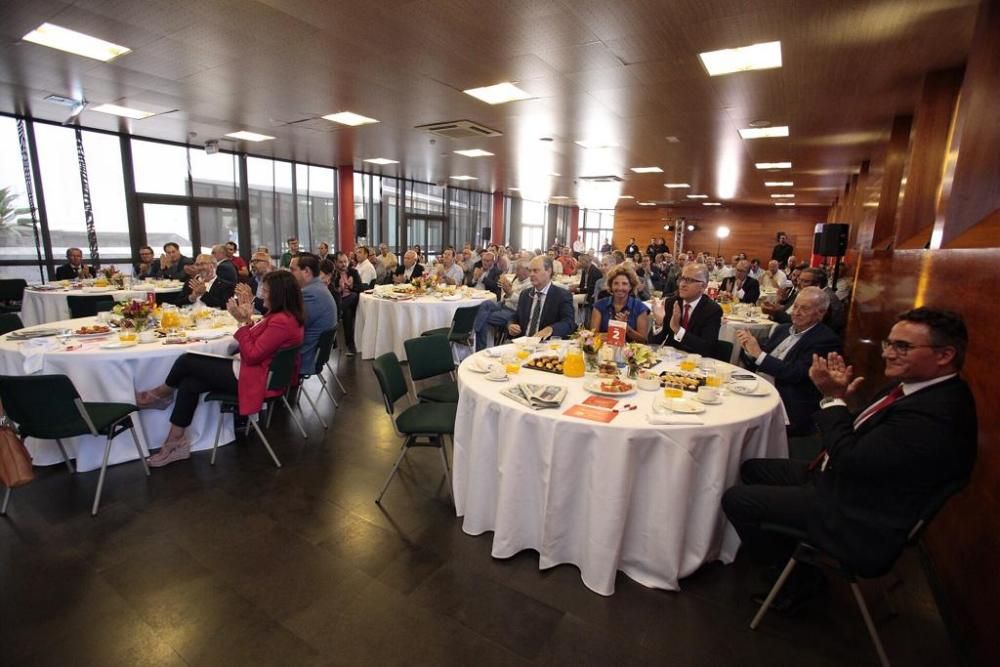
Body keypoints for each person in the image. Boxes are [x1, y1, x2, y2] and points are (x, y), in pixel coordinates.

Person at [722, 308, 976, 610]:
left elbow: (851, 458)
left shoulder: (936, 414)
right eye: (889, 344)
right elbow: (861, 435)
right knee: (752, 467)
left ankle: (796, 582)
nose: (889, 354)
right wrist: (838, 398)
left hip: (858, 512)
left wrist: (832, 400)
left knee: (737, 499)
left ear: (945, 355)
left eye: (903, 346)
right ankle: (785, 551)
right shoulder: (912, 388)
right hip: (846, 479)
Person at [135, 270, 306, 467]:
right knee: (190, 383)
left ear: (279, 294)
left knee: (187, 360)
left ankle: (159, 395)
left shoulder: (282, 321)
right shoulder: (282, 316)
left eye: (266, 291)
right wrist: (247, 320)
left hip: (256, 379)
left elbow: (251, 355)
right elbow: (259, 345)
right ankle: (175, 442)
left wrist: (242, 323)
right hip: (255, 371)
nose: (261, 295)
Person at [736, 287, 842, 435]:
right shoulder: (782, 329)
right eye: (796, 306)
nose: (796, 312)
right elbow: (760, 361)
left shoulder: (825, 340)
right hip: (757, 386)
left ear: (821, 313)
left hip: (786, 400)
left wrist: (759, 354)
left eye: (804, 308)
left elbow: (796, 373)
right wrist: (749, 350)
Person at [648, 262, 722, 355]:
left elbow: (707, 348)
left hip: (696, 362)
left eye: (689, 280)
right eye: (682, 279)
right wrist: (659, 323)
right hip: (670, 360)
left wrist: (678, 330)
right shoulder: (671, 303)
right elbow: (652, 344)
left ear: (703, 286)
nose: (682, 284)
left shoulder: (712, 310)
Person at [506, 255, 576, 340]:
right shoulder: (525, 294)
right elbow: (515, 316)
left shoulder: (561, 295)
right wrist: (511, 325)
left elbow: (569, 323)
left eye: (535, 271)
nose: (531, 274)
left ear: (549, 271)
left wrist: (551, 329)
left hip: (546, 345)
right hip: (523, 343)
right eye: (530, 271)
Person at [290, 253, 337, 369]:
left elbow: (292, 327)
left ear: (306, 271)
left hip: (305, 356)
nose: (289, 273)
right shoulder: (318, 288)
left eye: (292, 270)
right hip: (313, 352)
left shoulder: (311, 294)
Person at [473, 259, 531, 350]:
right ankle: (475, 335)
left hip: (514, 312)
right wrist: (506, 291)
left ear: (527, 270)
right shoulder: (517, 279)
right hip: (504, 304)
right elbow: (506, 296)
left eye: (518, 269)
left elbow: (524, 302)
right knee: (485, 304)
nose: (516, 271)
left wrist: (510, 292)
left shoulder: (530, 283)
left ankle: (478, 344)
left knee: (483, 317)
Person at [590, 265, 649, 343]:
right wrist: (614, 336)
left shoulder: (640, 308)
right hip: (604, 352)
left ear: (630, 286)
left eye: (624, 284)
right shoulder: (599, 306)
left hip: (631, 353)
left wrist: (626, 328)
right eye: (616, 283)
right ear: (611, 286)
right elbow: (593, 336)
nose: (620, 288)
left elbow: (643, 341)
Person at [331, 251, 362, 355]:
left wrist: (351, 287)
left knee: (353, 295)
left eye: (345, 261)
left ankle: (338, 313)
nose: (344, 264)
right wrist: (340, 288)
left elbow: (361, 287)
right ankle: (350, 345)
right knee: (347, 313)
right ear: (335, 262)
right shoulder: (333, 274)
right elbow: (331, 292)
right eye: (341, 262)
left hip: (351, 300)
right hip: (339, 301)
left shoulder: (353, 272)